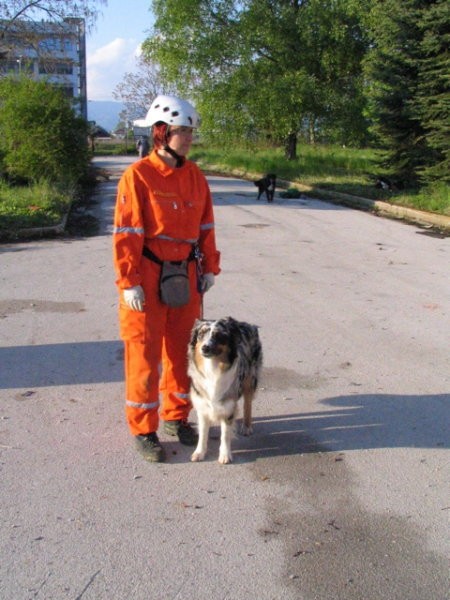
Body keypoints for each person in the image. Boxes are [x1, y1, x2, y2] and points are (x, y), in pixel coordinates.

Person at [113, 95, 221, 462]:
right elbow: (127, 232)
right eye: (181, 131)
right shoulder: (138, 176)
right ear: (162, 133)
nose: (188, 138)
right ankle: (144, 428)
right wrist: (129, 282)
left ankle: (176, 417)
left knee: (182, 352)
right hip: (147, 272)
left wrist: (209, 268)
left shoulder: (194, 177)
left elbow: (206, 226)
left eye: (190, 131)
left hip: (186, 274)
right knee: (143, 353)